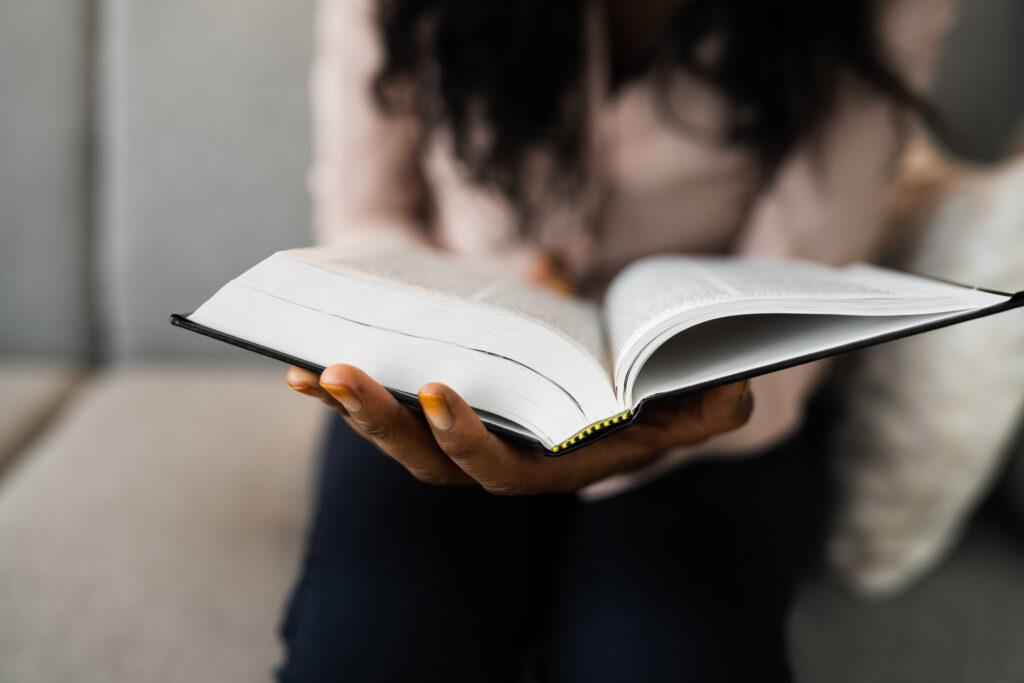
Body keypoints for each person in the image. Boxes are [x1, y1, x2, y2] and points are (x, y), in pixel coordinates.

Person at [278, 0, 955, 680]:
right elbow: (370, 212)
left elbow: (807, 265)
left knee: (665, 656)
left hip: (710, 410)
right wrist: (472, 337)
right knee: (373, 647)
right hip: (448, 382)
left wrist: (692, 405)